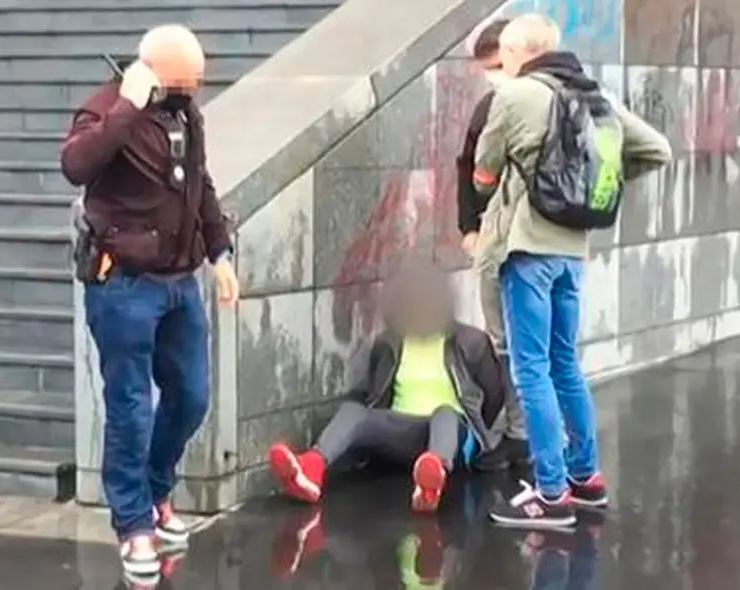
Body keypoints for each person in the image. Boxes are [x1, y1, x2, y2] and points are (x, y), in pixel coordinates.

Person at [472, 14, 672, 528]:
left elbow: (482, 173)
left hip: (527, 250)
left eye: (504, 56)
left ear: (517, 53)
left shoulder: (515, 96)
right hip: (571, 252)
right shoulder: (593, 97)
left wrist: (510, 178)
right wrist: (587, 180)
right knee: (565, 363)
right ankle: (586, 478)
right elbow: (657, 150)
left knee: (530, 369)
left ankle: (551, 493)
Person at [60, 24, 240, 577]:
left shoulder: (186, 115)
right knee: (131, 409)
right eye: (185, 82)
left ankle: (156, 490)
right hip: (124, 284)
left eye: (197, 83)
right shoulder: (104, 108)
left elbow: (200, 185)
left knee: (191, 396)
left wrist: (220, 253)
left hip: (180, 281)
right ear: (153, 74)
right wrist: (127, 109)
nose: (194, 91)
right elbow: (76, 166)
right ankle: (133, 525)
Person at [267, 260, 509, 514]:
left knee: (445, 413)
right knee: (354, 410)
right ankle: (310, 469)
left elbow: (495, 395)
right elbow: (374, 393)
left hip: (452, 437)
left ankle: (432, 481)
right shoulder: (389, 343)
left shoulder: (470, 341)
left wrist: (485, 440)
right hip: (402, 432)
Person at [457, 17, 531, 470]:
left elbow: (480, 172)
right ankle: (526, 432)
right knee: (511, 342)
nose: (492, 75)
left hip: (522, 240)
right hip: (507, 238)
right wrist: (469, 228)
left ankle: (527, 434)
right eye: (486, 68)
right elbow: (468, 166)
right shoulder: (490, 106)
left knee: (522, 345)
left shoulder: (526, 105)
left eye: (496, 65)